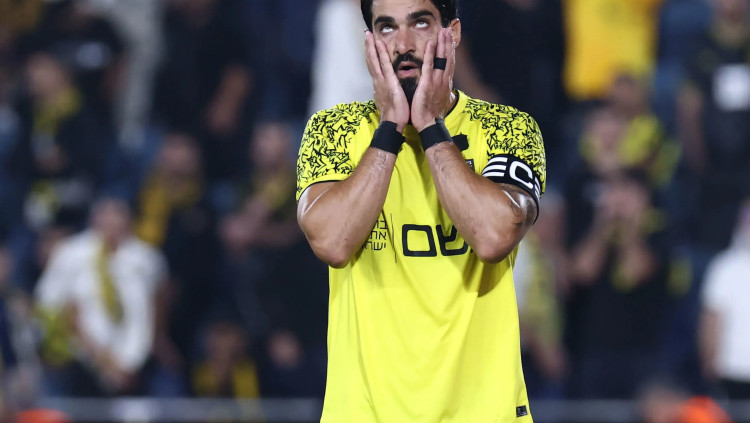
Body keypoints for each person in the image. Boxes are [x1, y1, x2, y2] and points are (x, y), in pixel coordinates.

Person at [296, 0, 546, 420]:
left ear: (454, 33)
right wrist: (390, 128)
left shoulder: (507, 128)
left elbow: (493, 237)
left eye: (421, 23)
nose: (404, 44)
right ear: (370, 43)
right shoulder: (332, 130)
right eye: (387, 28)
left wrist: (430, 123)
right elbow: (332, 242)